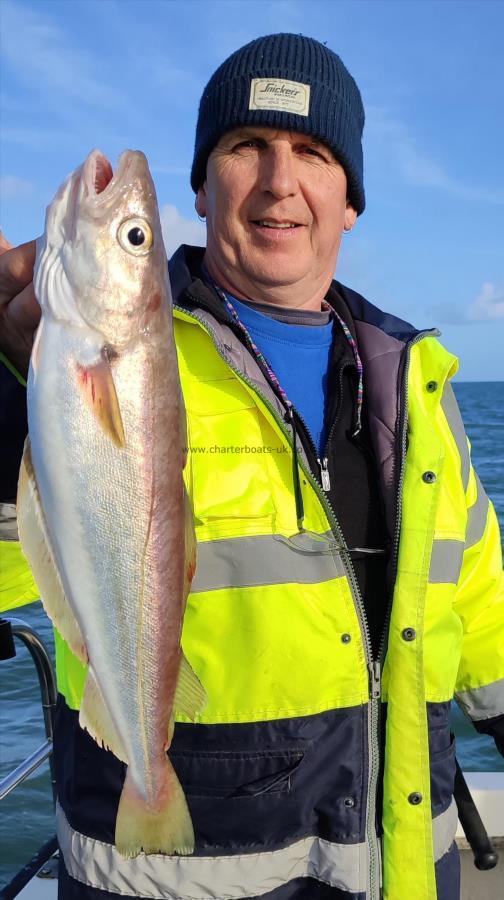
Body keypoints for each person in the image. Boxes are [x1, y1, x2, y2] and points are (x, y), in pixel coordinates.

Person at [1, 32, 503, 900]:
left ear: (351, 200)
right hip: (173, 880)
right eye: (245, 148)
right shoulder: (92, 364)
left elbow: (480, 601)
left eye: (312, 153)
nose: (279, 183)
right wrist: (11, 387)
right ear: (202, 186)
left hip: (403, 867)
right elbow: (21, 556)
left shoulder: (415, 380)